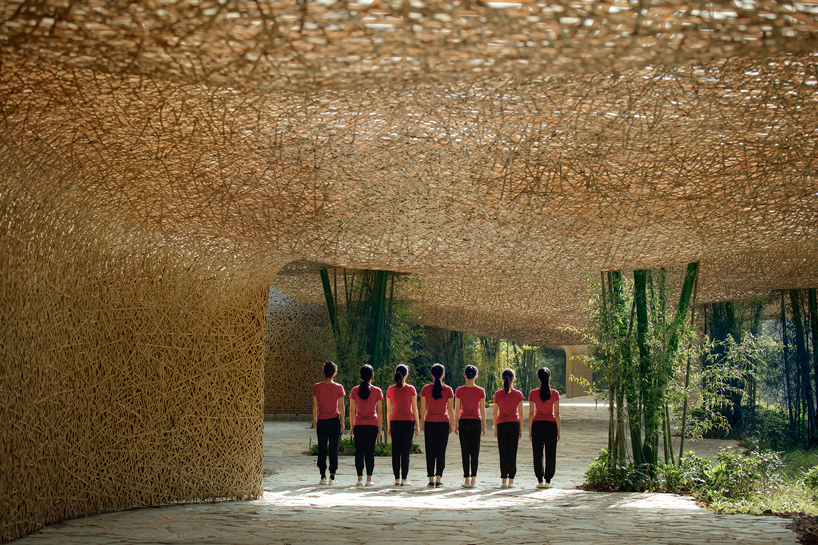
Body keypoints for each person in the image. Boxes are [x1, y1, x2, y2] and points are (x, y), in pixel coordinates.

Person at [419, 363, 454, 487]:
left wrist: (423, 423)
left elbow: (422, 408)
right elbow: (450, 410)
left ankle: (430, 479)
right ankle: (439, 478)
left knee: (430, 451)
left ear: (431, 374)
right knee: (441, 451)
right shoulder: (448, 390)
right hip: (443, 423)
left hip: (429, 423)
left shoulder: (425, 389)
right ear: (443, 374)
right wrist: (451, 423)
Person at [312, 360, 346, 485]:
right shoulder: (339, 387)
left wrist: (314, 420)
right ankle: (332, 476)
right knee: (333, 448)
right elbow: (341, 406)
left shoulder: (317, 387)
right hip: (334, 421)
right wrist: (342, 421)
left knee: (322, 448)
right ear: (334, 373)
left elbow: (315, 405)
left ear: (324, 372)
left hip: (321, 421)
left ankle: (322, 476)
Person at [386, 364, 420, 486]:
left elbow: (389, 410)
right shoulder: (411, 389)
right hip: (408, 422)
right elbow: (415, 409)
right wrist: (417, 424)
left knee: (395, 450)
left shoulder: (390, 390)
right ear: (406, 375)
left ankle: (396, 478)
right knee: (405, 451)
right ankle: (404, 479)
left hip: (395, 421)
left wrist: (389, 426)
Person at [350, 364, 383, 487]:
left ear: (360, 376)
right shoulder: (377, 391)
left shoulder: (354, 390)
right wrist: (379, 427)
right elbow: (380, 411)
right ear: (372, 376)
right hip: (372, 424)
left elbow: (351, 410)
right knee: (370, 452)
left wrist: (352, 425)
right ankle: (369, 480)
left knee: (359, 452)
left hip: (358, 424)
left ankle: (359, 479)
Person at [454, 365, 486, 488]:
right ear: (476, 376)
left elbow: (457, 409)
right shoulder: (480, 391)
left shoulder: (459, 390)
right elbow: (482, 410)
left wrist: (455, 424)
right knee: (475, 451)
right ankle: (473, 479)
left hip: (463, 421)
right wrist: (483, 426)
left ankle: (466, 479)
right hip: (476, 422)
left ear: (465, 375)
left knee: (465, 451)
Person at [528, 367, 561, 489]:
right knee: (551, 453)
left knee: (537, 453)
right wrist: (558, 430)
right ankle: (548, 480)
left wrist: (530, 429)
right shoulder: (555, 393)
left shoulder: (533, 393)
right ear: (549, 377)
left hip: (537, 424)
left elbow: (531, 413)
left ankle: (539, 480)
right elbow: (557, 413)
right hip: (551, 425)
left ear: (538, 378)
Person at [492, 368, 524, 488]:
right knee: (512, 453)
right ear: (513, 379)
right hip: (514, 425)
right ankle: (511, 480)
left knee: (503, 453)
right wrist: (520, 429)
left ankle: (503, 480)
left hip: (502, 425)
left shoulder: (498, 394)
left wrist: (495, 427)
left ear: (502, 378)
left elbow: (495, 412)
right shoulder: (518, 394)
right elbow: (521, 414)